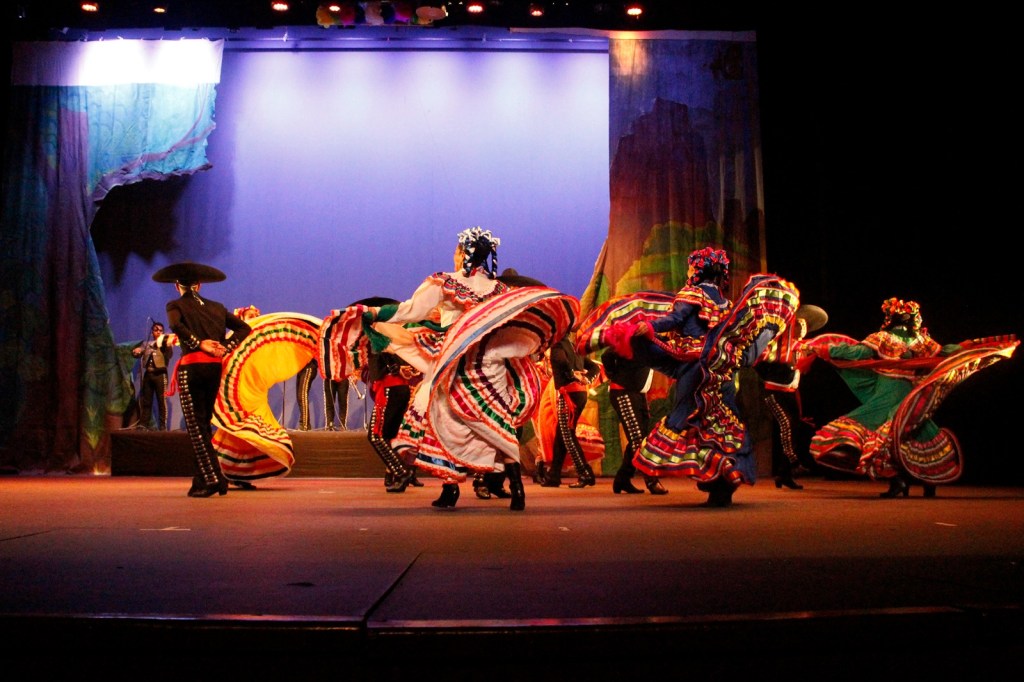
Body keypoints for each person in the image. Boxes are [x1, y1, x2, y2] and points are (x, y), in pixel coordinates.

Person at [321, 227, 577, 511]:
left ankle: (451, 488)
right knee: (498, 421)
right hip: (490, 363)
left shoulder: (445, 283)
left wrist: (373, 313)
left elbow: (409, 311)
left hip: (455, 363)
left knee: (443, 420)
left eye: (457, 250)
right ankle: (516, 488)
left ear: (463, 253)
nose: (454, 255)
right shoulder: (499, 290)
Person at [600, 247, 799, 507]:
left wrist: (649, 326)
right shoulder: (727, 305)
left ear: (698, 270)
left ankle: (712, 475)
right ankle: (721, 481)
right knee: (722, 422)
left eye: (691, 267)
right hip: (722, 371)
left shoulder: (692, 294)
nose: (688, 271)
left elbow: (674, 318)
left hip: (694, 368)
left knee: (688, 419)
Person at [807, 298, 970, 498]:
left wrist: (826, 349)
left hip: (889, 390)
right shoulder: (923, 341)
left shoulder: (883, 338)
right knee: (914, 429)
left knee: (884, 429)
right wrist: (966, 348)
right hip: (911, 392)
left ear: (890, 319)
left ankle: (898, 481)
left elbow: (859, 352)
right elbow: (943, 352)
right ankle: (928, 482)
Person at [154, 261, 252, 498]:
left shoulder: (176, 304)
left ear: (177, 286)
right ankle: (202, 479)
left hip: (193, 368)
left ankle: (213, 479)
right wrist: (225, 346)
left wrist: (199, 344)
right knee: (203, 423)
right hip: (213, 369)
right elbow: (244, 328)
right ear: (198, 285)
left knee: (196, 426)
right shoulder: (216, 307)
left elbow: (175, 324)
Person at [754, 304, 828, 490]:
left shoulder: (802, 347)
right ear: (791, 327)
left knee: (794, 428)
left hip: (790, 393)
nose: (803, 329)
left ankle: (783, 474)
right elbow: (758, 362)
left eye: (805, 327)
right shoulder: (776, 346)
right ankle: (794, 462)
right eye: (799, 325)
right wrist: (769, 373)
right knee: (787, 424)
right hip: (773, 392)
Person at [539, 331, 602, 488]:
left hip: (568, 394)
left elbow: (560, 361)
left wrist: (571, 374)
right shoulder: (574, 347)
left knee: (567, 435)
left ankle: (585, 473)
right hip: (578, 393)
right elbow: (594, 367)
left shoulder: (557, 346)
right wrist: (586, 378)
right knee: (562, 434)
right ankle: (554, 475)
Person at [602, 348, 668, 495]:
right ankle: (651, 480)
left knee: (642, 438)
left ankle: (623, 478)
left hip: (638, 393)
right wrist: (612, 373)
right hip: (623, 391)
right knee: (637, 439)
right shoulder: (632, 338)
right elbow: (607, 354)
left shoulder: (651, 340)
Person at [131, 320, 175, 430]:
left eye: (161, 330)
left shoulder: (165, 344)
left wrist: (168, 344)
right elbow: (139, 352)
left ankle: (162, 426)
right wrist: (136, 351)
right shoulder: (146, 344)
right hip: (148, 375)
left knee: (161, 401)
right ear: (152, 332)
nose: (158, 332)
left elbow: (169, 355)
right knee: (146, 401)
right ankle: (143, 424)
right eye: (156, 330)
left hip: (160, 375)